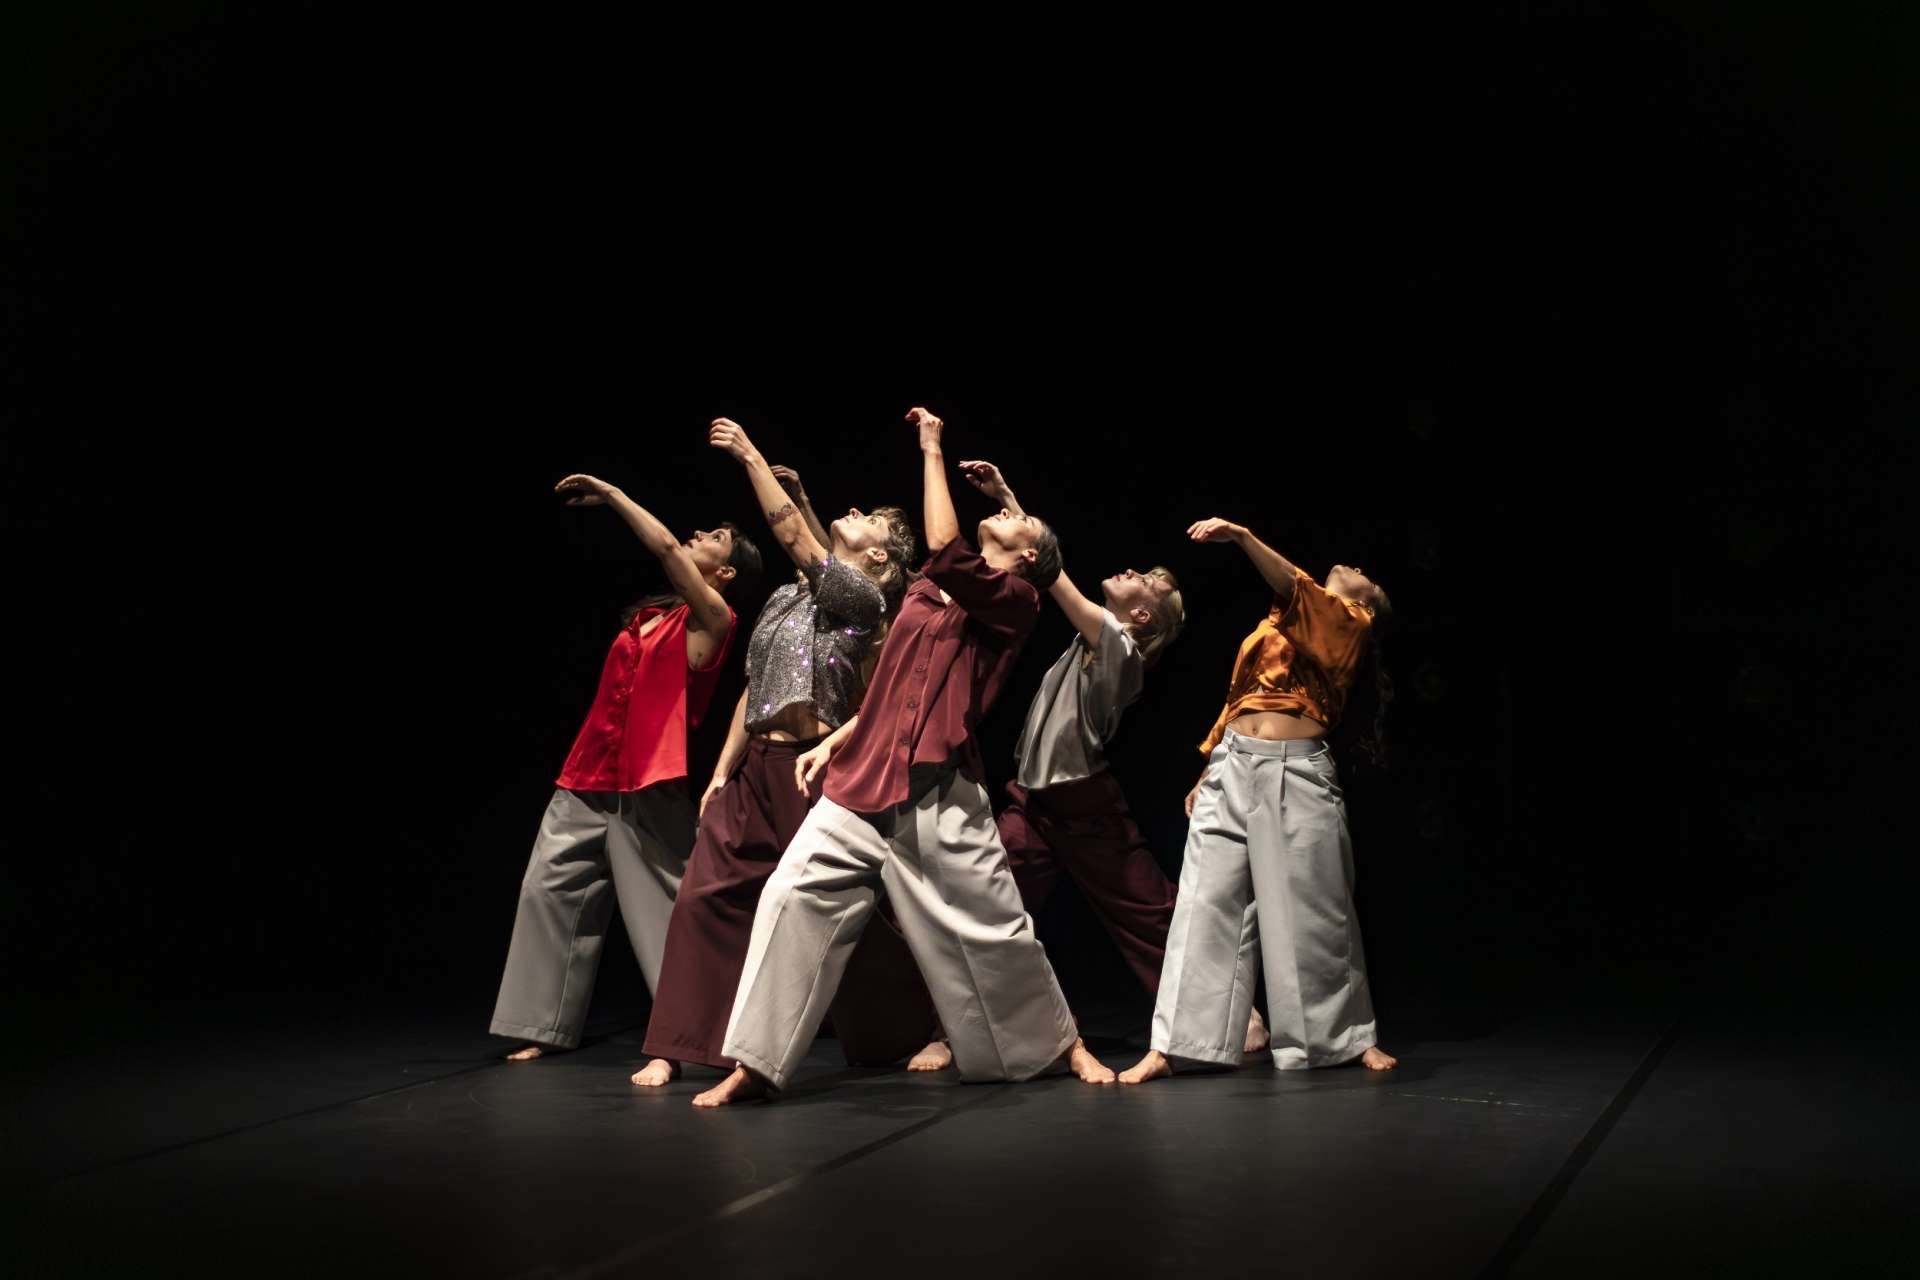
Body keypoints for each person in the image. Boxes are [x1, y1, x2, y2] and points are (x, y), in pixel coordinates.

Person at [694, 406, 1108, 1106]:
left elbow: (944, 542)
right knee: (790, 895)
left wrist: (932, 447)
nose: (1005, 516)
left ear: (1029, 559)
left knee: (995, 927)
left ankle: (1063, 1044)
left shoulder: (1014, 601)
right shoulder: (922, 591)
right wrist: (836, 739)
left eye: (1019, 521)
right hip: (862, 781)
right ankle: (755, 1063)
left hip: (938, 790)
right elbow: (887, 685)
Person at [633, 418, 934, 1086]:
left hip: (815, 768)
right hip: (754, 770)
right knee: (702, 897)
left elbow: (799, 539)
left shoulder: (864, 600)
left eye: (872, 521)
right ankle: (680, 1042)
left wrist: (750, 455)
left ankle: (922, 1025)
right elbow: (754, 688)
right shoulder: (786, 596)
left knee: (848, 909)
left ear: (880, 558)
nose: (856, 513)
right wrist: (720, 772)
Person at [489, 474, 758, 1061]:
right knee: (549, 889)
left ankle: (686, 1035)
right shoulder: (652, 617)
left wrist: (613, 496)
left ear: (725, 573)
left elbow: (663, 547)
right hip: (589, 771)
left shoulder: (715, 619)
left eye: (714, 537)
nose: (697, 534)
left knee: (662, 908)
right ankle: (541, 1026)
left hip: (649, 782)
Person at [1119, 518, 1397, 1084]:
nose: (1357, 569)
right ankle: (1176, 1045)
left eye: (1369, 577)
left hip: (1297, 772)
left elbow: (1295, 586)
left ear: (1371, 604)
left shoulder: (1352, 624)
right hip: (1232, 763)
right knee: (1203, 904)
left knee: (1313, 909)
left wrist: (1243, 537)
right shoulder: (1274, 624)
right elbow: (1239, 697)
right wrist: (1209, 767)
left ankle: (1344, 1038)